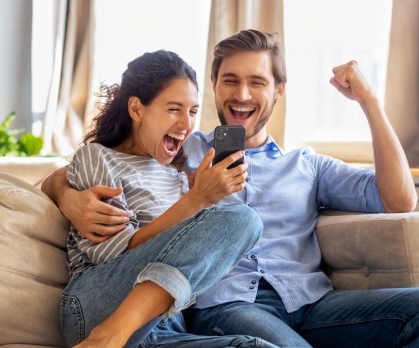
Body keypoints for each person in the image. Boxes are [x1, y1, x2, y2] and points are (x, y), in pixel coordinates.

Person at [42, 30, 419, 347]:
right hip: (228, 306)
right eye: (230, 81)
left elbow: (400, 200)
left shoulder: (306, 165)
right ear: (215, 86)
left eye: (257, 82)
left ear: (278, 91)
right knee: (238, 223)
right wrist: (68, 195)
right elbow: (95, 161)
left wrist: (370, 102)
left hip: (310, 303)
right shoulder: (179, 149)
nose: (241, 94)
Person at [58, 49, 276, 348]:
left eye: (193, 111)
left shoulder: (177, 175)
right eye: (174, 109)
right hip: (97, 305)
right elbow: (110, 254)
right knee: (243, 219)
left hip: (161, 327)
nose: (186, 123)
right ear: (136, 109)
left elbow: (185, 262)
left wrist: (199, 200)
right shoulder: (98, 158)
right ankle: (107, 336)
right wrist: (196, 201)